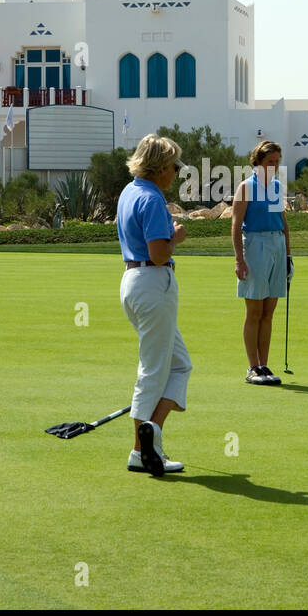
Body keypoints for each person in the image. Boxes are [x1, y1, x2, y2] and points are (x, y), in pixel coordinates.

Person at [116, 134, 191, 476]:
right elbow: (159, 253)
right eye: (174, 166)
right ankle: (141, 449)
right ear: (161, 168)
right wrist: (175, 237)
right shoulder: (153, 199)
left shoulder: (129, 191)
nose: (176, 172)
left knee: (179, 365)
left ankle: (151, 435)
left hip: (132, 281)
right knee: (153, 368)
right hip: (152, 282)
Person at [232, 140, 292, 386]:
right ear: (258, 162)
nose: (274, 166)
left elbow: (283, 222)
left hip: (277, 245)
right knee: (254, 311)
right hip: (255, 246)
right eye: (270, 161)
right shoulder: (246, 187)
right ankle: (252, 367)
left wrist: (288, 257)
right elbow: (236, 225)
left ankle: (264, 365)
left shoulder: (277, 187)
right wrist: (239, 259)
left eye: (277, 161)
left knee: (269, 312)